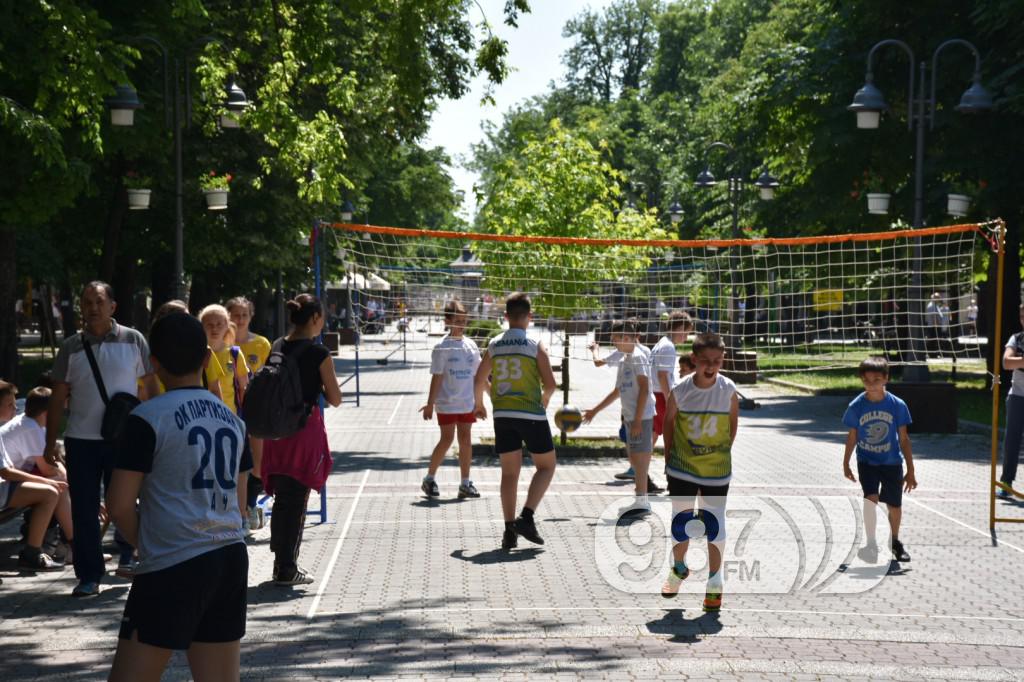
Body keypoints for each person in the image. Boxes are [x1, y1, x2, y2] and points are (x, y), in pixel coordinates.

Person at [107, 312, 251, 681]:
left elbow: (120, 503)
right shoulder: (233, 421)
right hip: (229, 556)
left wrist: (145, 542)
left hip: (174, 560)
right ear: (206, 359)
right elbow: (239, 499)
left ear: (153, 364)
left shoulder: (147, 418)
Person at [44, 281, 159, 598]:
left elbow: (150, 387)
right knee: (83, 510)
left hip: (124, 439)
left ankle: (140, 556)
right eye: (87, 302)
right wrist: (50, 440)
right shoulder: (71, 347)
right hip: (81, 441)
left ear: (112, 306)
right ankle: (89, 574)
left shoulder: (134, 340)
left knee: (127, 504)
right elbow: (57, 398)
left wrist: (157, 429)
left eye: (98, 301)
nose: (92, 307)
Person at [261, 294, 342, 585]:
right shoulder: (319, 353)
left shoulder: (277, 346)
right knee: (297, 499)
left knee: (283, 497)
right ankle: (287, 567)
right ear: (317, 319)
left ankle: (279, 560)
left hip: (276, 430)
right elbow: (335, 399)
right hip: (303, 429)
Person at [660, 332, 738, 612]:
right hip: (682, 468)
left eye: (717, 361)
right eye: (705, 360)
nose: (711, 366)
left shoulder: (728, 390)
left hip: (716, 470)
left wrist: (719, 453)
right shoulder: (680, 390)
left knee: (713, 524)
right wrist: (669, 456)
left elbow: (732, 426)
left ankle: (715, 584)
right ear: (694, 359)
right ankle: (679, 568)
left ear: (723, 360)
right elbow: (668, 424)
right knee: (681, 521)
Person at [473, 292, 557, 550]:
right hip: (531, 413)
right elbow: (551, 384)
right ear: (530, 318)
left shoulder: (495, 344)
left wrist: (480, 404)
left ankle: (509, 530)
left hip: (503, 415)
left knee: (509, 473)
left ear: (506, 316)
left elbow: (478, 380)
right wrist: (545, 398)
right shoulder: (534, 343)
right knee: (546, 466)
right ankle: (527, 517)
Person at [842, 356, 916, 563]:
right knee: (871, 499)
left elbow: (904, 439)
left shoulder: (897, 405)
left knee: (894, 505)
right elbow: (852, 436)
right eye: (866, 380)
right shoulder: (857, 405)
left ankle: (895, 541)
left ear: (886, 379)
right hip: (867, 461)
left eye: (876, 380)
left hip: (892, 462)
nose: (871, 384)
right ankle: (871, 544)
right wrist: (845, 462)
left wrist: (911, 470)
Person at [582, 319, 656, 514]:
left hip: (642, 417)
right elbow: (618, 391)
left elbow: (645, 389)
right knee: (634, 458)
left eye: (615, 339)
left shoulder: (639, 357)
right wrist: (595, 411)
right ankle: (641, 499)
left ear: (625, 338)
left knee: (640, 461)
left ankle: (642, 501)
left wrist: (639, 420)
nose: (613, 343)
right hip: (631, 416)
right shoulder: (624, 359)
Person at [0, 386, 74, 559]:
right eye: (10, 404)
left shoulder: (33, 424)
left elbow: (53, 458)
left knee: (57, 484)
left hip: (7, 482)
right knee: (52, 490)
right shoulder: (30, 427)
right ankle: (50, 548)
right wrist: (54, 481)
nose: (15, 408)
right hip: (5, 484)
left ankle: (70, 544)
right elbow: (7, 473)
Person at [419, 300, 482, 499]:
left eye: (464, 321)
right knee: (447, 440)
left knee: (465, 440)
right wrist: (430, 404)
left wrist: (483, 401)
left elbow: (478, 377)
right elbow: (436, 377)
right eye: (458, 321)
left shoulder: (471, 346)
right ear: (448, 321)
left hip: (466, 403)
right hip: (447, 403)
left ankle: (465, 483)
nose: (462, 325)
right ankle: (429, 478)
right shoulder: (442, 347)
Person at [227, 296, 272, 531]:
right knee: (234, 463)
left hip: (254, 411)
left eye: (244, 315)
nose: (240, 319)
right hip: (230, 411)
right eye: (235, 315)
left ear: (251, 316)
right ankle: (238, 510)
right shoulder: (221, 345)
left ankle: (251, 504)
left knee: (258, 462)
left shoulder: (261, 344)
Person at [199, 305, 250, 415]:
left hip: (230, 416)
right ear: (201, 326)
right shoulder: (197, 354)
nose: (214, 329)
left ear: (227, 325)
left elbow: (243, 388)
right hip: (202, 416)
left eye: (219, 324)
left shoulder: (234, 354)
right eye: (209, 325)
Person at [997, 304, 1024, 500]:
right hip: (1018, 395)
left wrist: (1019, 360)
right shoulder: (1016, 338)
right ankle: (1006, 482)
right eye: (1022, 316)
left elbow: (1015, 361)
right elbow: (1007, 362)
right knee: (1011, 441)